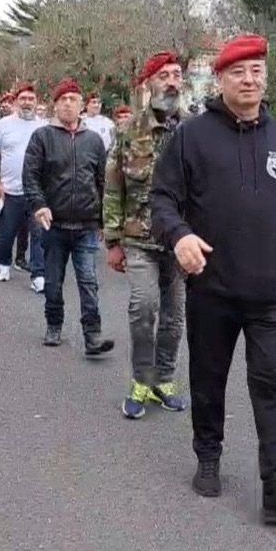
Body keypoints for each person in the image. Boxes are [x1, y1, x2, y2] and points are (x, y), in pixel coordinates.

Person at [150, 34, 276, 525]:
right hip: (212, 287)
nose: (249, 81)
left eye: (256, 71)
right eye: (238, 73)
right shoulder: (192, 136)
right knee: (209, 379)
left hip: (268, 292)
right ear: (221, 80)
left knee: (274, 383)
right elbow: (162, 200)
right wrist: (180, 235)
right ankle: (208, 456)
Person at [104, 51, 189, 419]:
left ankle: (163, 380)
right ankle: (141, 379)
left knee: (174, 316)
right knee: (144, 306)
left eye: (176, 74)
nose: (171, 81)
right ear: (148, 84)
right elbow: (112, 186)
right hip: (139, 237)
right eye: (163, 75)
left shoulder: (195, 130)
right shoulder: (127, 131)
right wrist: (111, 241)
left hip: (181, 241)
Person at [23, 78, 114, 356]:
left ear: (81, 105)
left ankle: (93, 335)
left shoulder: (94, 141)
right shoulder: (42, 137)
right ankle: (54, 324)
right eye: (62, 99)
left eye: (73, 99)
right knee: (53, 281)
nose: (67, 103)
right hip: (54, 225)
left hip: (86, 226)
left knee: (88, 281)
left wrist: (103, 221)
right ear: (54, 104)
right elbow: (31, 176)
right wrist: (39, 205)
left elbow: (103, 182)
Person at [0, 84, 46, 281]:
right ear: (17, 102)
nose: (27, 103)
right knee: (7, 232)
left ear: (37, 102)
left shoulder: (44, 127)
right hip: (10, 191)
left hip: (38, 192)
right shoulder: (3, 125)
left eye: (31, 99)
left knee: (39, 235)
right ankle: (3, 263)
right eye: (23, 99)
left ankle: (39, 275)